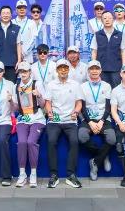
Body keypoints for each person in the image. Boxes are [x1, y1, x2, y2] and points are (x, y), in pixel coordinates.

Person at [44, 59, 83, 189]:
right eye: (60, 68)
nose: (63, 70)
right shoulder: (51, 85)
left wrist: (76, 112)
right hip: (54, 120)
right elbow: (48, 102)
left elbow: (79, 103)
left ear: (68, 69)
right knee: (51, 141)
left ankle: (71, 175)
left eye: (65, 68)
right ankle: (53, 175)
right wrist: (49, 111)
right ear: (57, 70)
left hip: (70, 120)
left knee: (74, 141)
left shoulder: (75, 85)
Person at [79, 60, 115, 181]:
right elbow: (83, 108)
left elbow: (108, 107)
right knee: (82, 136)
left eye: (96, 68)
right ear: (88, 71)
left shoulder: (107, 86)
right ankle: (103, 156)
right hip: (88, 119)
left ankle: (95, 161)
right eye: (92, 69)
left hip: (103, 119)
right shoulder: (83, 87)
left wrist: (101, 121)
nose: (94, 71)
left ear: (100, 70)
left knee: (112, 138)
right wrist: (90, 122)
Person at [15, 61, 46, 188]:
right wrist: (10, 101)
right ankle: (22, 174)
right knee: (22, 142)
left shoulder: (37, 84)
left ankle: (33, 174)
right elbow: (15, 108)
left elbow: (43, 105)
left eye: (25, 71)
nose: (23, 74)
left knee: (31, 142)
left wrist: (39, 96)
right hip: (23, 119)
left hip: (37, 118)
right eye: (21, 71)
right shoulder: (16, 85)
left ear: (30, 72)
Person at [91, 11, 125, 87]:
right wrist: (94, 66)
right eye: (105, 18)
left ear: (113, 19)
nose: (107, 20)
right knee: (103, 90)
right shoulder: (97, 34)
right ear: (101, 20)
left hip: (116, 69)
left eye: (109, 18)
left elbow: (123, 51)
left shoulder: (120, 34)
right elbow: (94, 51)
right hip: (101, 69)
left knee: (116, 89)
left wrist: (123, 66)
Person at [0, 5, 21, 83]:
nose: (5, 15)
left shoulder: (17, 28)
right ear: (0, 15)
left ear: (11, 15)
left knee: (11, 86)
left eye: (7, 13)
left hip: (12, 64)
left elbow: (18, 45)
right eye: (3, 13)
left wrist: (19, 60)